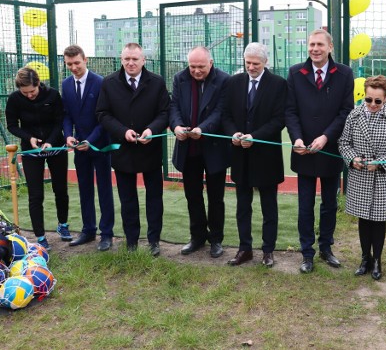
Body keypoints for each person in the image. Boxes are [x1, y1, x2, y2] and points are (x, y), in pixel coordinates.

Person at [285, 29, 354, 274]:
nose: (315, 49)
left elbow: (345, 111)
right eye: (311, 44)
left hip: (330, 150)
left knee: (328, 203)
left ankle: (326, 247)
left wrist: (326, 137)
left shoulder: (344, 73)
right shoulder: (295, 73)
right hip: (303, 151)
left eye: (320, 45)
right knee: (305, 205)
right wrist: (297, 139)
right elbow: (290, 111)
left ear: (330, 47)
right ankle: (307, 253)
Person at [96, 42, 170, 256]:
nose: (130, 63)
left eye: (135, 59)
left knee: (154, 197)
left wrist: (151, 130)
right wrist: (122, 131)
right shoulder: (109, 83)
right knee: (127, 199)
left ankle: (154, 241)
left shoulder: (156, 82)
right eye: (126, 59)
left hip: (150, 149)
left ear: (143, 60)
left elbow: (164, 112)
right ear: (121, 60)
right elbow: (102, 113)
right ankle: (131, 242)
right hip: (122, 150)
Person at [222, 42, 287, 268]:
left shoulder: (278, 84)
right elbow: (226, 114)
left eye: (255, 64)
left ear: (265, 62)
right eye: (247, 62)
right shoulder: (233, 83)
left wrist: (255, 136)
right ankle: (244, 248)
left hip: (266, 155)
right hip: (240, 156)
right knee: (243, 206)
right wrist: (233, 133)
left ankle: (268, 250)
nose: (250, 67)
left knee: (269, 206)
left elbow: (279, 119)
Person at [338, 75, 386, 280]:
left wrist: (381, 163)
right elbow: (343, 143)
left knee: (378, 220)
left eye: (378, 100)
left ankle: (377, 260)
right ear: (364, 96)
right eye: (368, 99)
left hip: (383, 178)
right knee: (363, 219)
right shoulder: (354, 115)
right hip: (360, 176)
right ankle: (365, 258)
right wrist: (352, 159)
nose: (373, 104)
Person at [169, 46, 230, 258]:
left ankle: (216, 239)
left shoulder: (223, 80)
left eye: (201, 67)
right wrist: (176, 126)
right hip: (188, 147)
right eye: (192, 66)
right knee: (192, 195)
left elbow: (221, 111)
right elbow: (174, 106)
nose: (196, 70)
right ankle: (197, 237)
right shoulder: (180, 78)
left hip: (213, 148)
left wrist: (202, 129)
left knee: (216, 197)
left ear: (210, 63)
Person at [5, 67, 70, 250]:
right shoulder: (15, 99)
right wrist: (29, 138)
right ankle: (40, 236)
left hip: (55, 147)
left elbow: (59, 122)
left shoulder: (53, 96)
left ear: (38, 84)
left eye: (32, 91)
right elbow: (12, 125)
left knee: (60, 189)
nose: (29, 95)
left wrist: (50, 141)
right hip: (31, 151)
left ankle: (63, 225)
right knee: (35, 194)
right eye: (24, 92)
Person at [61, 44, 116, 251]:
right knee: (84, 189)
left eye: (77, 63)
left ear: (86, 60)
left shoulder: (101, 83)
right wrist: (68, 136)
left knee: (104, 189)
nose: (73, 67)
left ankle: (107, 234)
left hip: (100, 145)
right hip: (79, 147)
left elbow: (105, 117)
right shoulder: (66, 85)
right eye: (69, 64)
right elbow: (66, 115)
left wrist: (90, 141)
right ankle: (88, 230)